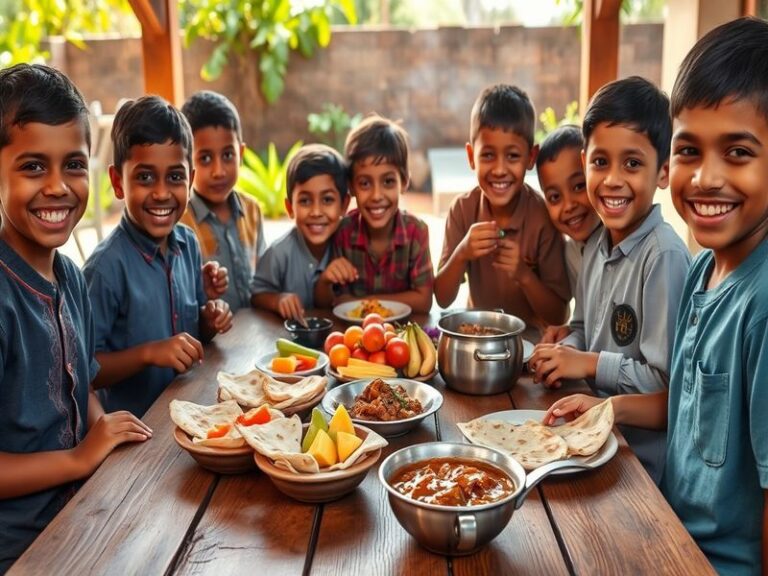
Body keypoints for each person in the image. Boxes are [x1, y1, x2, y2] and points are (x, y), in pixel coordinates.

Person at [545, 18, 768, 575]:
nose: (706, 178)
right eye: (692, 150)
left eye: (738, 152)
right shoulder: (700, 276)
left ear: (656, 172)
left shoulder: (758, 306)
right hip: (662, 518)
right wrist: (604, 408)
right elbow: (682, 405)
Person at [0, 64, 151, 573]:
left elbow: (78, 383)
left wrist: (103, 428)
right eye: (33, 167)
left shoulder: (69, 275)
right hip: (20, 549)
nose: (58, 187)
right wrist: (82, 457)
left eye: (74, 164)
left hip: (83, 513)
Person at [530, 76, 691, 484]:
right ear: (585, 162)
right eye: (601, 162)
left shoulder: (663, 256)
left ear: (663, 171)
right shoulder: (595, 244)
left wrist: (584, 363)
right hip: (590, 442)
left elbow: (667, 387)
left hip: (641, 469)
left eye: (632, 163)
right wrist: (562, 350)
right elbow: (584, 326)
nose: (613, 179)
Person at [83, 96, 233, 418]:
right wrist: (150, 353)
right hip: (137, 435)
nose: (162, 193)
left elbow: (194, 334)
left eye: (175, 177)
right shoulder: (106, 269)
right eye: (145, 177)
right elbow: (85, 372)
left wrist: (209, 320)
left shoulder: (188, 245)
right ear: (117, 182)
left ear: (190, 180)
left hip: (191, 410)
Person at [434, 84, 570, 333]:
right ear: (470, 156)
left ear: (531, 157)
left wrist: (523, 274)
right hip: (477, 336)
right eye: (487, 155)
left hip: (530, 345)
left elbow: (559, 315)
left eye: (512, 156)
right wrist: (462, 252)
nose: (499, 169)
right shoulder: (462, 210)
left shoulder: (542, 216)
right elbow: (442, 298)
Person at [314, 114, 433, 313]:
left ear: (404, 182)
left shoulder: (416, 231)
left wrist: (368, 302)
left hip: (401, 335)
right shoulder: (342, 232)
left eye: (388, 181)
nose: (377, 196)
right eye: (365, 183)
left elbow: (423, 301)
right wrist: (326, 279)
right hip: (353, 337)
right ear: (351, 187)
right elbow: (331, 302)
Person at [179, 90, 266, 311]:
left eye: (228, 155)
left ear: (242, 153)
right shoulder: (181, 222)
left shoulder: (252, 211)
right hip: (208, 340)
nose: (218, 171)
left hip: (254, 334)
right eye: (205, 158)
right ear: (186, 161)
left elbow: (265, 279)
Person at [251, 144, 349, 321]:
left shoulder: (350, 246)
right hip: (289, 339)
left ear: (344, 205)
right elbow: (256, 295)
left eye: (327, 200)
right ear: (290, 208)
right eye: (305, 201)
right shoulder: (279, 253)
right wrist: (277, 300)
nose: (316, 212)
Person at [536, 124, 602, 344]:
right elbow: (588, 324)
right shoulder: (571, 251)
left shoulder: (619, 243)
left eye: (579, 186)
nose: (569, 205)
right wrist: (568, 335)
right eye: (555, 197)